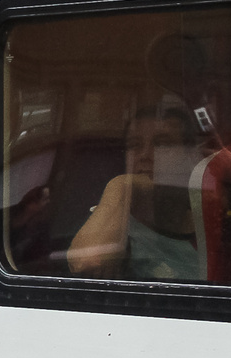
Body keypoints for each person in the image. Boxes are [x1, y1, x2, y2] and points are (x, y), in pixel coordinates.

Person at [67, 109, 203, 280]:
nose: (145, 155)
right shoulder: (110, 222)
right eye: (134, 145)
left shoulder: (208, 221)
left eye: (162, 144)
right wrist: (121, 187)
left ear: (189, 157)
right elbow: (87, 263)